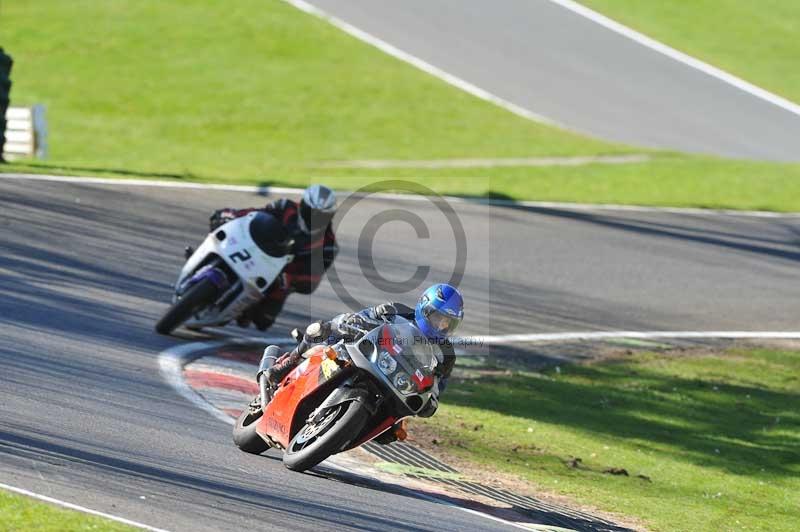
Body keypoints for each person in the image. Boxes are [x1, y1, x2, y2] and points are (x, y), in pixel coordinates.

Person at [262, 284, 464, 440]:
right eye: (438, 318)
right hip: (366, 356)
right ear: (424, 308)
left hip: (395, 384)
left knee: (390, 433)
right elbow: (361, 317)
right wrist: (356, 322)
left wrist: (432, 400)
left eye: (448, 323)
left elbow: (436, 386)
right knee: (324, 329)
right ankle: (289, 362)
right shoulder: (396, 310)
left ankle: (350, 431)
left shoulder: (446, 355)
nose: (441, 326)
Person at [208, 184, 338, 331]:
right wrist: (231, 215)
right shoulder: (285, 207)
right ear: (303, 205)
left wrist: (290, 278)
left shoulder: (328, 245)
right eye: (312, 212)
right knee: (221, 232)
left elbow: (312, 280)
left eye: (321, 215)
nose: (315, 218)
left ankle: (239, 308)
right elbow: (255, 214)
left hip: (279, 273)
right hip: (254, 248)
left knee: (263, 320)